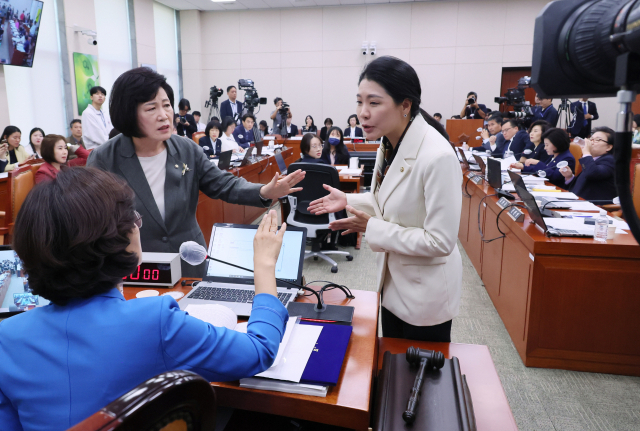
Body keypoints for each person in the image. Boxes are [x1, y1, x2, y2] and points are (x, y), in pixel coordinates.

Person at [0, 167, 289, 431]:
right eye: (133, 218)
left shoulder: (6, 339)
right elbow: (259, 350)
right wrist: (263, 265)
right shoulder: (156, 321)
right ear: (120, 238)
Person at [87, 67, 304, 277]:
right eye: (151, 108)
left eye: (166, 105)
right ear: (128, 113)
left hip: (189, 261)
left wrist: (264, 191)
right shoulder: (105, 158)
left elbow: (224, 184)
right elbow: (92, 222)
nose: (164, 115)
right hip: (137, 268)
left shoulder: (186, 148)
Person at [308, 56, 461, 342]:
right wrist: (350, 200)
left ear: (406, 105)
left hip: (424, 297)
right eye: (359, 101)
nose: (362, 113)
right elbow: (390, 200)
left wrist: (372, 228)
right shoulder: (389, 142)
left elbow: (441, 241)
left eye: (374, 103)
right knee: (390, 370)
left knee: (418, 380)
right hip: (392, 286)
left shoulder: (437, 156)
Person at [560, 127, 616, 201]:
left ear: (608, 147)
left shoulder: (610, 160)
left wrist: (586, 152)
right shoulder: (593, 160)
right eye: (591, 139)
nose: (590, 142)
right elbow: (583, 185)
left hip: (594, 206)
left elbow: (592, 173)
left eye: (597, 140)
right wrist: (569, 177)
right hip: (577, 202)